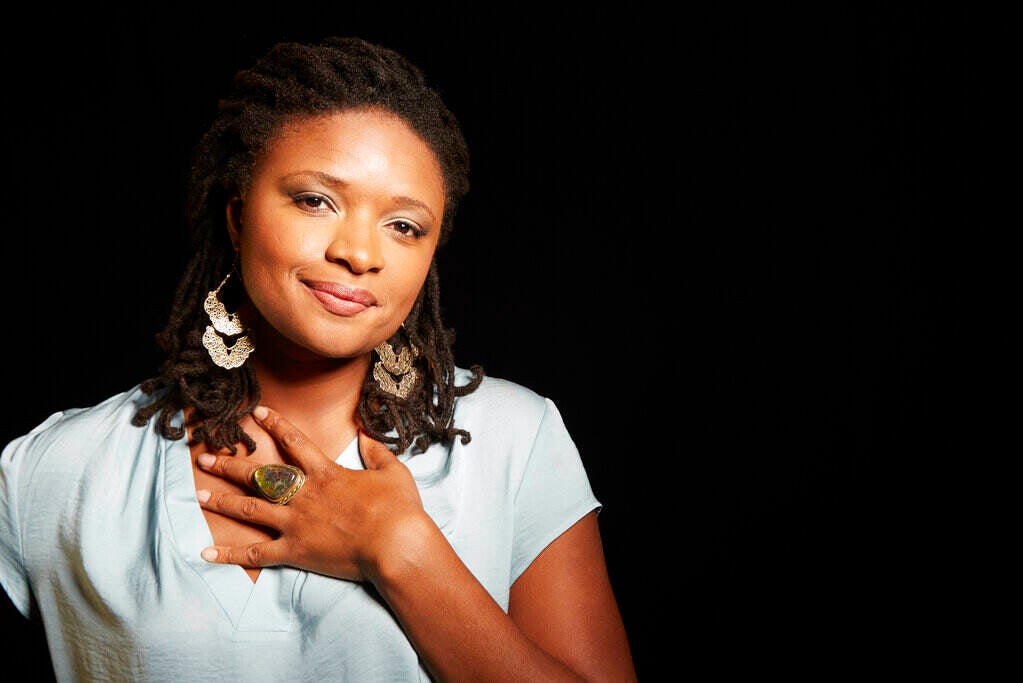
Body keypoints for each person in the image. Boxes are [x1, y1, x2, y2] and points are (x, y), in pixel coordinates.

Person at [0, 36, 636, 681]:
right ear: (238, 216)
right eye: (315, 200)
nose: (360, 253)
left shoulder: (512, 440)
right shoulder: (56, 471)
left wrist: (401, 550)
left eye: (404, 225)